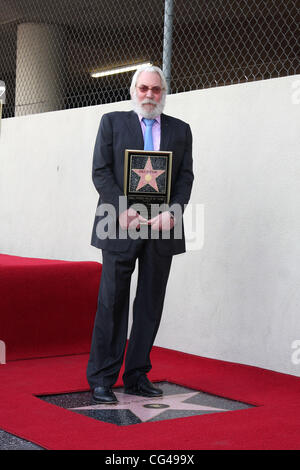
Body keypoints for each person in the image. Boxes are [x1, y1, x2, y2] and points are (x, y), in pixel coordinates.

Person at [87, 64, 194, 404]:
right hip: (118, 223)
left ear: (163, 93)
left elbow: (185, 178)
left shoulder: (181, 130)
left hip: (161, 228)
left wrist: (173, 212)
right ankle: (103, 378)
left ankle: (136, 375)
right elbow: (101, 171)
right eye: (144, 89)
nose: (150, 95)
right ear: (134, 90)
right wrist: (122, 208)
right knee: (112, 301)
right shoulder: (113, 123)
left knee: (150, 302)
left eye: (156, 90)